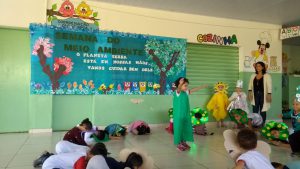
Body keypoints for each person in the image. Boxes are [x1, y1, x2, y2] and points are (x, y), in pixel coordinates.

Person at [173, 77, 207, 151]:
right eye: (185, 85)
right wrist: (181, 83)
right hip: (178, 115)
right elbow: (178, 88)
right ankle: (179, 144)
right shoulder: (177, 92)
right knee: (179, 128)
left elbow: (193, 90)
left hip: (185, 114)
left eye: (187, 85)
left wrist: (201, 87)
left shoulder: (186, 92)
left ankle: (184, 142)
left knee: (185, 128)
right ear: (179, 85)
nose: (186, 87)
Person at [248, 61, 272, 126]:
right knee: (255, 110)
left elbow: (269, 85)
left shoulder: (267, 75)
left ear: (262, 67)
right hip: (255, 94)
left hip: (263, 95)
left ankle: (262, 124)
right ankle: (255, 124)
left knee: (263, 110)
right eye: (256, 66)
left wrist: (269, 94)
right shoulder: (253, 75)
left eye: (259, 66)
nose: (257, 67)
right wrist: (249, 91)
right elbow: (250, 84)